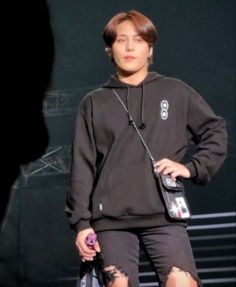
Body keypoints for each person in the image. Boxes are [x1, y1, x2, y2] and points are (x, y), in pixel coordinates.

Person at [66, 10, 227, 287]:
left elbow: (215, 131)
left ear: (150, 48)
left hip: (164, 214)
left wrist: (191, 168)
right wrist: (82, 224)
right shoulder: (93, 103)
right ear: (109, 48)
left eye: (138, 40)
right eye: (121, 40)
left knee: (182, 283)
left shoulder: (176, 92)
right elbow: (82, 167)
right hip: (110, 219)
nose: (129, 47)